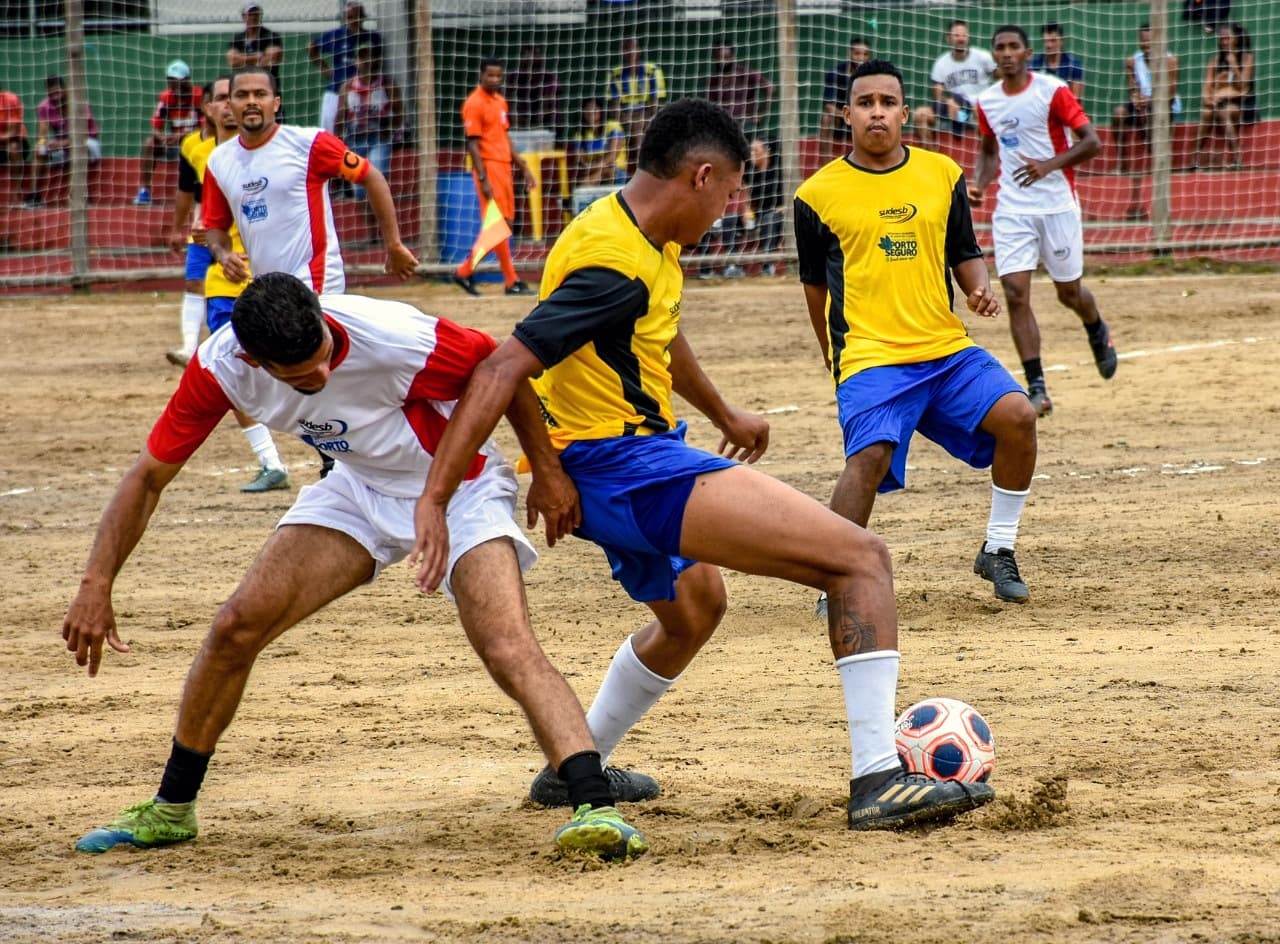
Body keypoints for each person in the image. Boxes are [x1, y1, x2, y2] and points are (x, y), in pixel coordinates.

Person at [411, 98, 996, 832]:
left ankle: (574, 766)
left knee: (694, 610)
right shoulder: (612, 264)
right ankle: (877, 777)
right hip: (620, 464)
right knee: (860, 558)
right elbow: (499, 369)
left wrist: (724, 416)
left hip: (623, 455)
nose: (730, 207)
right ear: (702, 175)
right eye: (730, 192)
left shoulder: (640, 235)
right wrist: (449, 494)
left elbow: (654, 333)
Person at [63, 272, 647, 863]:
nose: (320, 376)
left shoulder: (394, 339)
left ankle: (595, 806)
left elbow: (503, 368)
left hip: (459, 486)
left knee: (505, 644)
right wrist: (96, 582)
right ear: (254, 359)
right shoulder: (223, 367)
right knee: (236, 626)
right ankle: (170, 810)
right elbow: (147, 477)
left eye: (322, 358)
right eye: (299, 378)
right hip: (360, 487)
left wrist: (546, 473)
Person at [795, 58, 1038, 608]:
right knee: (870, 456)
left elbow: (964, 253)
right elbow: (814, 289)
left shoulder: (943, 174)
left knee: (1019, 416)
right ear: (846, 114)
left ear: (905, 112)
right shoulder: (816, 194)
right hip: (872, 356)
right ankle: (836, 578)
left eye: (886, 103)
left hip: (946, 350)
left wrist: (978, 288)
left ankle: (997, 549)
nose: (876, 113)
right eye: (865, 103)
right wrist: (835, 356)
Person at [970, 25, 1118, 419]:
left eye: (1013, 47)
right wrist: (980, 183)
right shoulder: (986, 101)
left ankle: (1096, 326)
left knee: (1069, 293)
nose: (1005, 53)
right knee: (1016, 293)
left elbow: (1091, 142)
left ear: (1027, 53)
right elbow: (988, 151)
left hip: (1056, 205)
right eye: (999, 47)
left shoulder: (1052, 90)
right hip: (1012, 209)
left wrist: (1047, 166)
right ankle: (1037, 387)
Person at [168, 76, 290, 492]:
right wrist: (213, 241)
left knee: (292, 371)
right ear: (212, 108)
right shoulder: (210, 159)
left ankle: (332, 453)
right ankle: (271, 462)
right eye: (222, 98)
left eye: (231, 97)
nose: (226, 106)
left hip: (271, 280)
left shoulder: (266, 159)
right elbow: (205, 214)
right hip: (225, 282)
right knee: (232, 374)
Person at [202, 66, 418, 298]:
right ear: (231, 104)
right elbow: (215, 226)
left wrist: (394, 244)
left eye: (260, 94)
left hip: (317, 283)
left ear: (276, 103)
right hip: (266, 289)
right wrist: (223, 255)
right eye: (242, 95)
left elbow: (371, 176)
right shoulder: (218, 161)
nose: (251, 101)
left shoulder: (310, 144)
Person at [451, 57, 537, 299]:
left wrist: (523, 166)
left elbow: (504, 137)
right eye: (490, 75)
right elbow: (473, 145)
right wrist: (483, 177)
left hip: (505, 168)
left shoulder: (500, 101)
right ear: (481, 75)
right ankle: (465, 271)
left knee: (504, 225)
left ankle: (510, 281)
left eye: (498, 76)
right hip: (489, 169)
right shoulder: (474, 103)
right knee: (497, 225)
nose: (494, 80)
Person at [1111, 23, 1181, 220]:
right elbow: (1132, 88)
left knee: (1153, 114)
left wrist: (1148, 101)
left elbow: (1170, 93)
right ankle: (1122, 164)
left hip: (1163, 105)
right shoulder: (1133, 61)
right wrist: (1135, 98)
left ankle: (1158, 162)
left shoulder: (1170, 61)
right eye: (1143, 40)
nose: (1146, 44)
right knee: (1118, 113)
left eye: (1150, 40)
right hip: (1142, 104)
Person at [335, 43, 403, 200]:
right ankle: (369, 222)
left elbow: (399, 110)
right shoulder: (347, 87)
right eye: (361, 57)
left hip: (378, 138)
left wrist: (391, 130)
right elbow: (340, 116)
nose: (365, 60)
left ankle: (382, 218)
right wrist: (338, 141)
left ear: (375, 60)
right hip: (354, 140)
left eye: (369, 56)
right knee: (359, 191)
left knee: (377, 179)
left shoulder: (387, 85)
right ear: (356, 61)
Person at [912, 21, 995, 148]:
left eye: (964, 35)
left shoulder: (982, 57)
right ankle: (932, 156)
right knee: (920, 114)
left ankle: (987, 158)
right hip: (957, 112)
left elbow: (1001, 76)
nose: (961, 39)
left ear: (968, 37)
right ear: (948, 38)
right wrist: (947, 101)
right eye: (956, 35)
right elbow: (937, 93)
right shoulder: (941, 63)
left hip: (979, 111)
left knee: (978, 110)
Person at [25, 75, 101, 209]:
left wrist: (62, 144)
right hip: (62, 146)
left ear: (64, 89)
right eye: (51, 94)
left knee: (78, 148)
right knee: (39, 152)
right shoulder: (44, 106)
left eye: (57, 92)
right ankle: (34, 196)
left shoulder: (79, 103)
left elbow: (82, 134)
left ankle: (82, 195)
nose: (54, 96)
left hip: (88, 142)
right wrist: (42, 143)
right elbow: (43, 132)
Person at [307, 0, 384, 134]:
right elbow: (311, 47)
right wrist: (325, 69)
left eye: (356, 16)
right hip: (336, 90)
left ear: (363, 17)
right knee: (329, 133)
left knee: (357, 133)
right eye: (349, 17)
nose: (353, 20)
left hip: (360, 94)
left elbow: (377, 64)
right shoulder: (337, 35)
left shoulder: (372, 38)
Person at [133, 60, 202, 207]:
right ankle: (144, 191)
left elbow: (206, 128)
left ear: (187, 80)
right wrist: (162, 137)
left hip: (197, 142)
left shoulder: (199, 96)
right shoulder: (166, 98)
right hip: (175, 144)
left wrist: (182, 136)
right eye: (170, 80)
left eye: (177, 81)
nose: (174, 85)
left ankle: (199, 191)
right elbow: (156, 126)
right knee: (150, 143)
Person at [1189, 22, 1255, 171]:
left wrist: (1233, 65)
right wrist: (1210, 100)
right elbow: (1207, 87)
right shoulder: (1215, 60)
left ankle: (1237, 159)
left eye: (1228, 38)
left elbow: (1243, 85)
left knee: (1224, 112)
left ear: (1236, 39)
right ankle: (1194, 160)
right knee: (1206, 114)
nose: (1224, 42)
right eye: (1222, 39)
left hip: (1239, 103)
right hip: (1217, 102)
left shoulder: (1247, 57)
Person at [607, 38, 667, 171]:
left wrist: (639, 117)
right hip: (625, 117)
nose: (630, 52)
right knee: (633, 127)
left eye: (633, 47)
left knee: (639, 125)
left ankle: (642, 167)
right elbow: (615, 107)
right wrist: (625, 118)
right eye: (626, 48)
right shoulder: (615, 74)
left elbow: (655, 105)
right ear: (622, 52)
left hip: (647, 115)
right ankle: (645, 167)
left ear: (639, 50)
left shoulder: (652, 70)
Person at [820, 36, 873, 163]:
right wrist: (848, 116)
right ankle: (824, 165)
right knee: (826, 118)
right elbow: (829, 106)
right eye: (857, 53)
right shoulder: (835, 73)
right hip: (842, 119)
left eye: (865, 54)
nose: (861, 57)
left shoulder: (872, 75)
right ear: (850, 53)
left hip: (864, 118)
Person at [704, 38, 774, 134]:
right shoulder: (713, 80)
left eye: (726, 57)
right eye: (719, 57)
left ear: (732, 57)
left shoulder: (745, 73)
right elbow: (710, 106)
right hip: (725, 127)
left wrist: (760, 114)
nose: (722, 61)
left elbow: (770, 88)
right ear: (714, 58)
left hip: (748, 125)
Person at [227, 2, 284, 115]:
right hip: (244, 86)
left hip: (267, 88)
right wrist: (258, 57)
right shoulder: (238, 39)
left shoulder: (271, 36)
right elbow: (233, 61)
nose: (253, 17)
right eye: (250, 14)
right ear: (244, 17)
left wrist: (243, 60)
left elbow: (269, 61)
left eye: (256, 14)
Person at [742, 136, 783, 275]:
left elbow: (796, 193)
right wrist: (746, 211)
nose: (752, 153)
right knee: (729, 221)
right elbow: (746, 197)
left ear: (766, 152)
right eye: (751, 150)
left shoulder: (780, 171)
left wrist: (784, 208)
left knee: (769, 218)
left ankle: (767, 265)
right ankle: (732, 266)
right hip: (757, 215)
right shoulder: (751, 173)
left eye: (755, 150)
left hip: (778, 215)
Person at [571, 96, 626, 188]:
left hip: (617, 171)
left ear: (601, 111)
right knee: (595, 174)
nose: (591, 112)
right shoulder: (580, 135)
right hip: (593, 171)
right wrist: (596, 165)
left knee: (608, 171)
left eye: (594, 108)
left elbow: (612, 157)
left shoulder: (613, 127)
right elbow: (582, 162)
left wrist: (595, 164)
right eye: (587, 109)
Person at [507, 45, 561, 138]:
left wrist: (537, 124)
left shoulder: (550, 77)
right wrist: (518, 122)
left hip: (545, 120)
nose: (531, 57)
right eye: (527, 54)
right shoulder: (513, 76)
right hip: (520, 119)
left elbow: (548, 102)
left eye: (535, 54)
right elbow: (508, 100)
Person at [1029, 23, 1085, 102]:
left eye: (1053, 41)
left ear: (1062, 41)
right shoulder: (1034, 65)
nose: (1049, 45)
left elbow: (1076, 101)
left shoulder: (1074, 66)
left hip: (1065, 110)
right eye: (1046, 41)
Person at [0, 78, 29, 203]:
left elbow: (14, 132)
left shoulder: (9, 99)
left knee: (13, 148)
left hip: (15, 142)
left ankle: (17, 193)